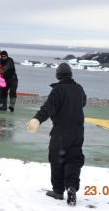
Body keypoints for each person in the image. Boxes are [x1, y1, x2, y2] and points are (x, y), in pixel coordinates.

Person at [26, 63, 86, 207]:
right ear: (70, 75)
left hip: (61, 130)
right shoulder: (79, 89)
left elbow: (49, 106)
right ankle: (71, 186)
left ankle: (58, 191)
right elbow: (82, 103)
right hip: (78, 130)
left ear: (57, 76)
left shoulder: (58, 90)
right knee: (74, 159)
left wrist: (37, 118)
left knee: (57, 158)